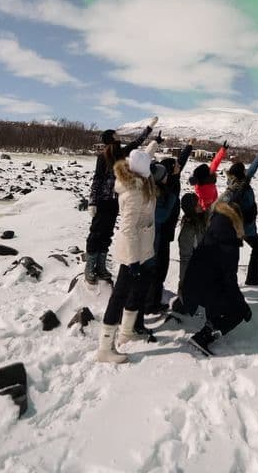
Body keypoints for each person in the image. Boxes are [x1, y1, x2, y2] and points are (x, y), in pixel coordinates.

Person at [97, 142, 162, 363]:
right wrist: (133, 261)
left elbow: (144, 156)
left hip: (144, 248)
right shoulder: (133, 191)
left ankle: (127, 331)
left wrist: (155, 143)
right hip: (132, 252)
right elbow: (128, 229)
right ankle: (105, 348)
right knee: (120, 296)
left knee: (140, 289)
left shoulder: (139, 174)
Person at [85, 117, 157, 284]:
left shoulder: (122, 153)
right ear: (111, 139)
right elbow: (97, 180)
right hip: (103, 201)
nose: (119, 136)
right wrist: (92, 201)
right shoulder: (102, 157)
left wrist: (149, 128)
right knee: (96, 233)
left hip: (116, 201)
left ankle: (101, 267)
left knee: (107, 233)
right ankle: (89, 268)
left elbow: (138, 142)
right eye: (116, 135)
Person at [183, 200, 252, 355]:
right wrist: (242, 305)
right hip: (202, 288)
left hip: (194, 285)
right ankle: (203, 336)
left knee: (217, 290)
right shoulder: (228, 242)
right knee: (238, 311)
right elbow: (230, 281)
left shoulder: (215, 228)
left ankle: (213, 320)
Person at [142, 139, 194, 315]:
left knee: (160, 267)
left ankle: (153, 297)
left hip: (166, 231)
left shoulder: (170, 178)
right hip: (160, 232)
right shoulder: (166, 185)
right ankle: (151, 302)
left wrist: (189, 146)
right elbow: (161, 215)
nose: (178, 167)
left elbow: (181, 162)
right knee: (158, 267)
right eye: (175, 166)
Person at [220, 149, 258, 285]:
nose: (246, 173)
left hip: (242, 226)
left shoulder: (240, 182)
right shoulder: (238, 189)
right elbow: (224, 205)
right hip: (244, 227)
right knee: (256, 247)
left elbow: (251, 171)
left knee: (240, 251)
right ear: (241, 174)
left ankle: (244, 279)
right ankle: (250, 279)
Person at [171, 192, 207, 313]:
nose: (201, 206)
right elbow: (185, 259)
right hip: (192, 265)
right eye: (198, 204)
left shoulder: (200, 220)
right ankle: (183, 303)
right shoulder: (188, 228)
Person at [189, 141, 228, 210]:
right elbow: (215, 162)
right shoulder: (209, 175)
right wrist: (223, 150)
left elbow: (215, 162)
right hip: (213, 203)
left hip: (209, 207)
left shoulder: (200, 188)